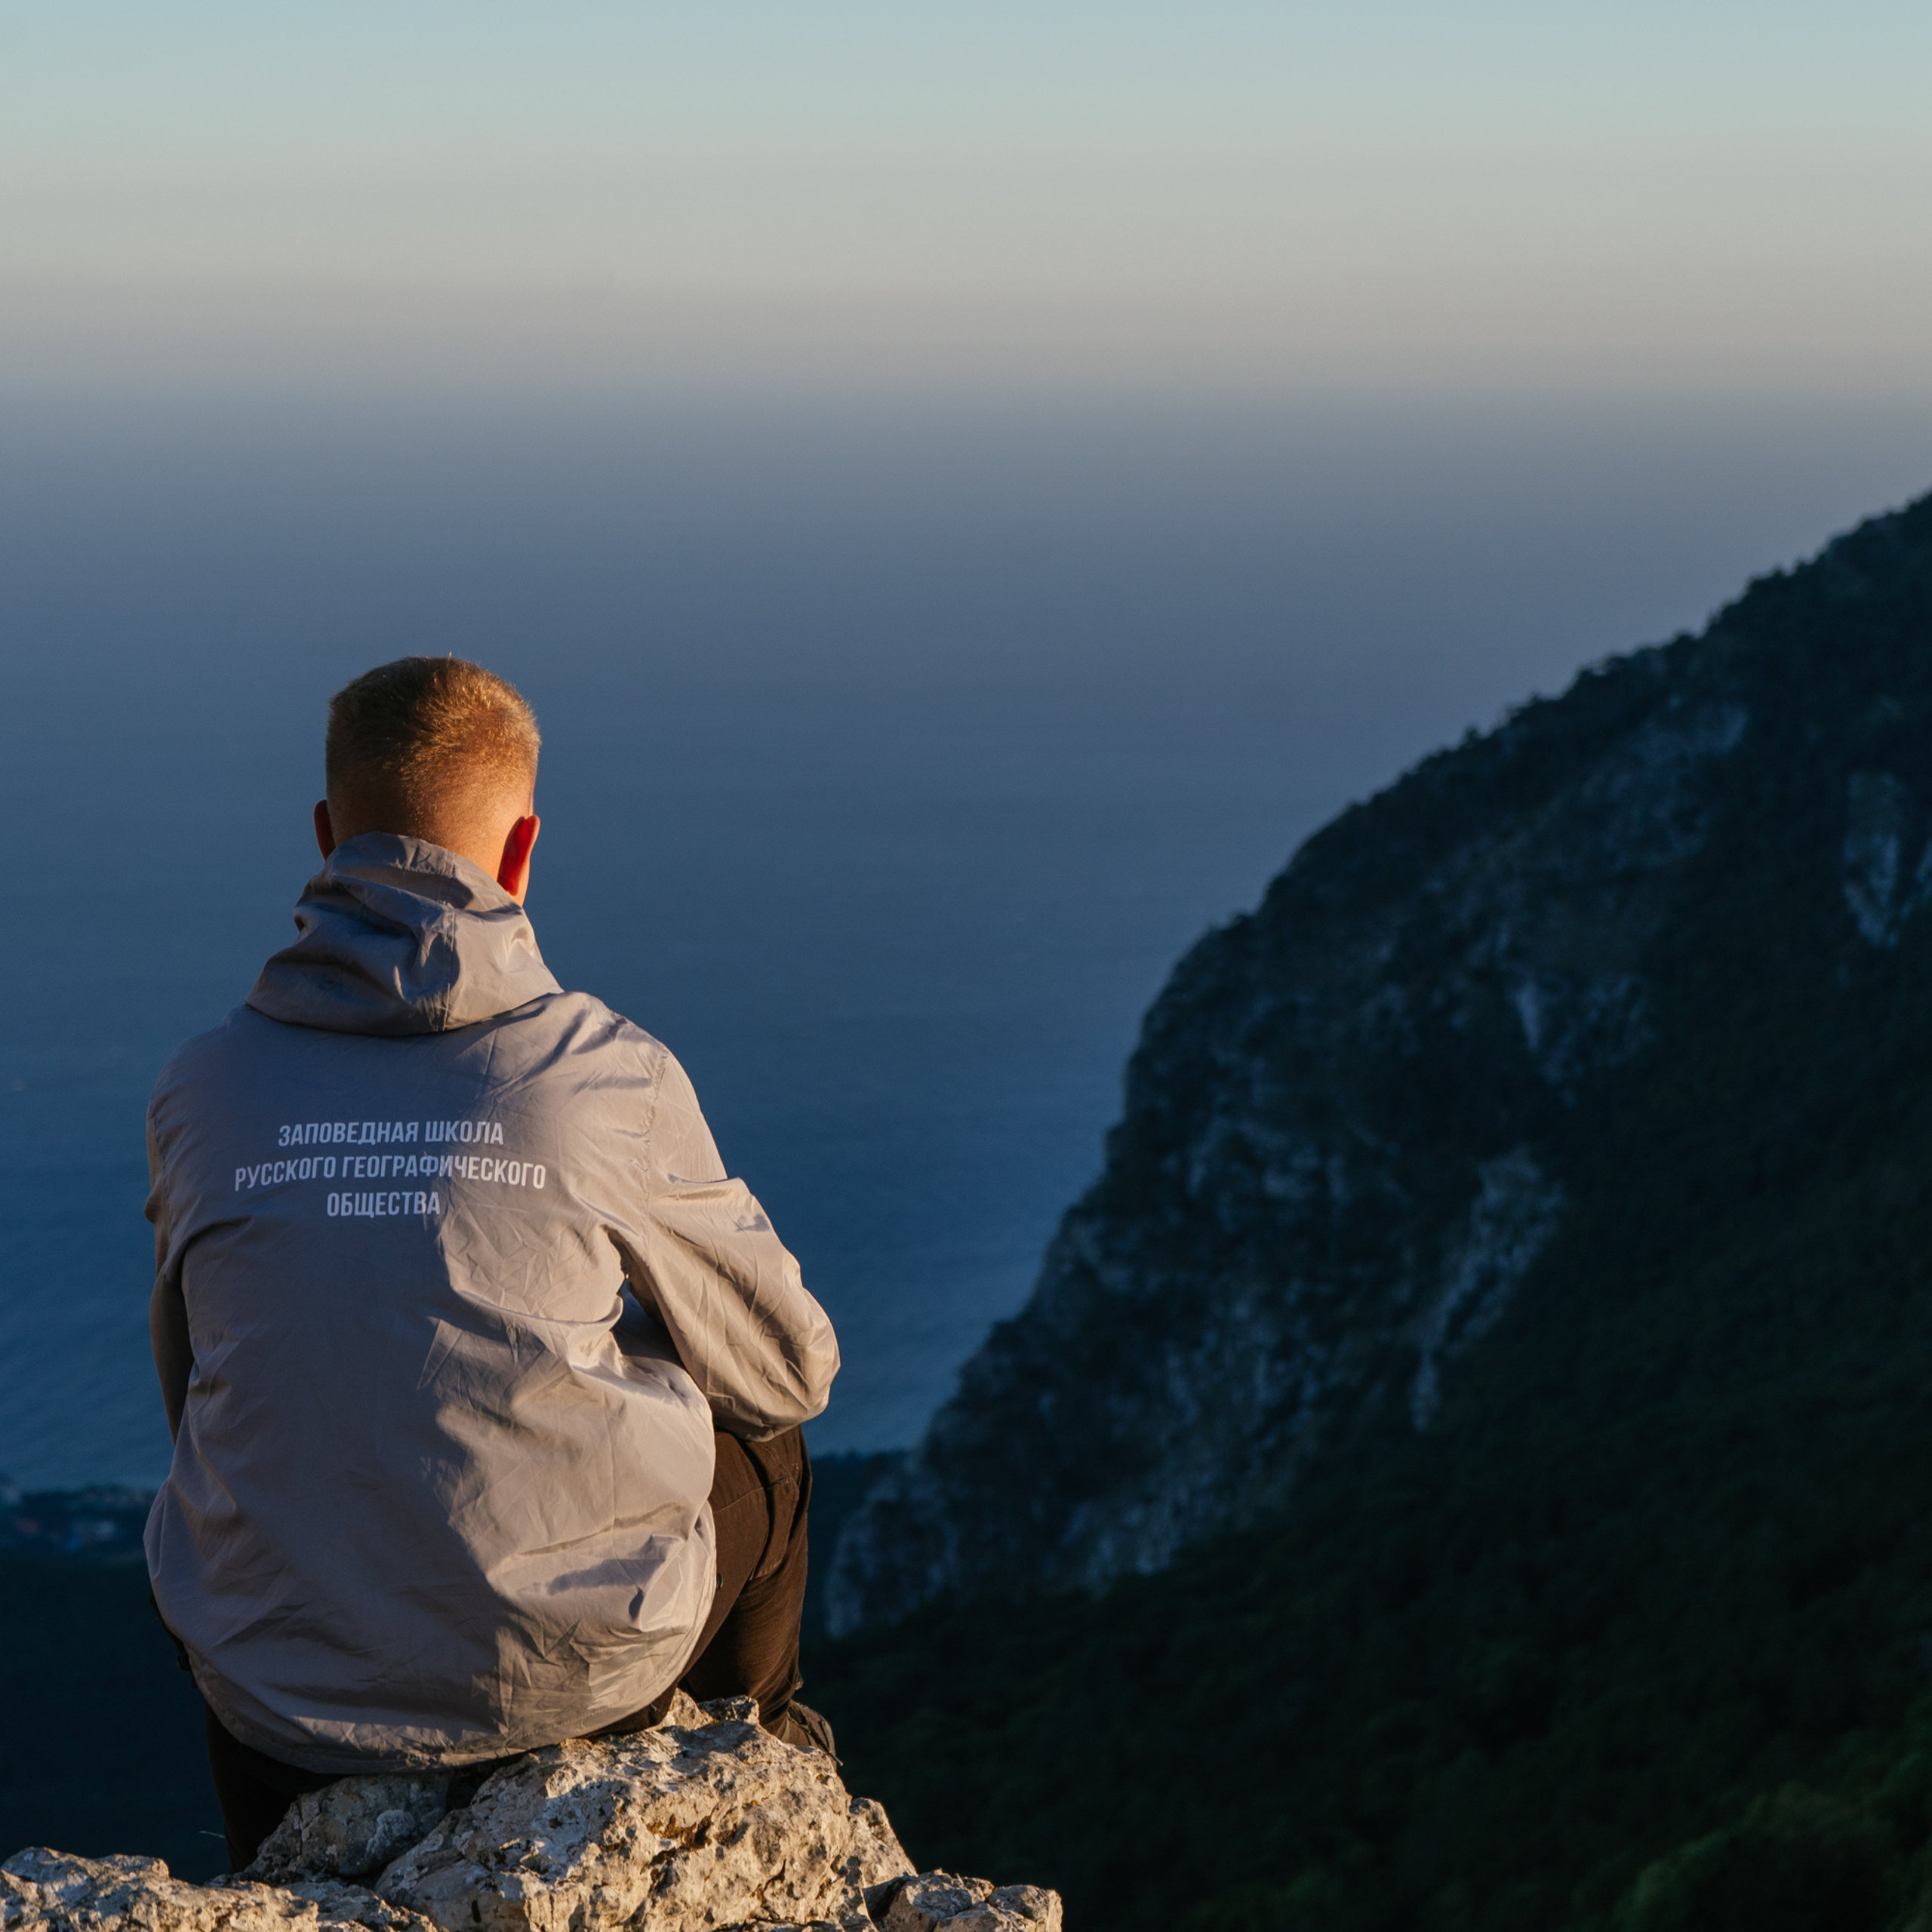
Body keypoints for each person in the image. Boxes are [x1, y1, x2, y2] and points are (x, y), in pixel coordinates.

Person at [144, 656, 841, 1870]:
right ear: (519, 854)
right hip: (576, 1688)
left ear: (325, 836)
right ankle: (756, 1766)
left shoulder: (205, 1085)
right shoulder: (596, 1074)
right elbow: (786, 1369)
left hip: (277, 1716)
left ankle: (294, 1868)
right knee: (760, 1443)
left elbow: (194, 1380)